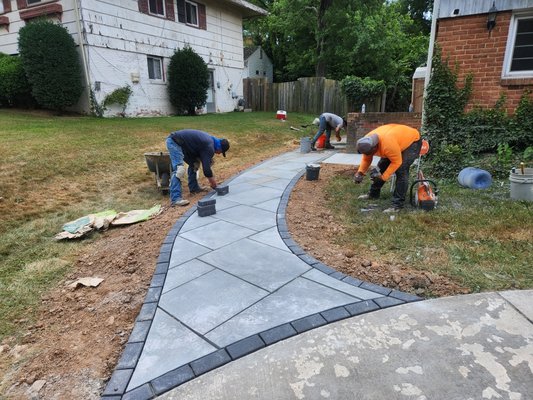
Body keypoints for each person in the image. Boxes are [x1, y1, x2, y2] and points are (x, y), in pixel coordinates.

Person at [353, 124, 422, 213]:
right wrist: (360, 173)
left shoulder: (388, 145)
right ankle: (373, 194)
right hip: (396, 139)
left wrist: (383, 177)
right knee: (381, 167)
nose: (368, 154)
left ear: (375, 148)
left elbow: (396, 162)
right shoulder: (366, 141)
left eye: (370, 153)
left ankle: (397, 205)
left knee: (401, 170)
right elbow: (366, 159)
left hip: (412, 141)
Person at [166, 129, 230, 207]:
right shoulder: (209, 146)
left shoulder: (211, 142)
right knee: (179, 170)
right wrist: (213, 184)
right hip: (175, 142)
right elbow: (206, 170)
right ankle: (175, 199)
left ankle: (194, 188)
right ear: (220, 147)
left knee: (195, 164)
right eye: (221, 152)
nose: (219, 153)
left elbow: (204, 159)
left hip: (184, 145)